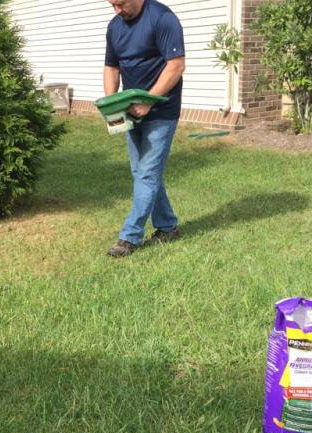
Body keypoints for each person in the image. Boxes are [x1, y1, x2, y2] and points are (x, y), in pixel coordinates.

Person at [103, 0, 186, 257]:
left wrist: (148, 100)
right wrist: (112, 104)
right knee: (142, 171)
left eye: (120, 3)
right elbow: (112, 67)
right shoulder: (114, 27)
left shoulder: (162, 18)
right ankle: (168, 226)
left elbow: (176, 65)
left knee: (147, 174)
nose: (117, 10)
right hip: (131, 111)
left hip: (161, 111)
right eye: (112, 4)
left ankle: (130, 236)